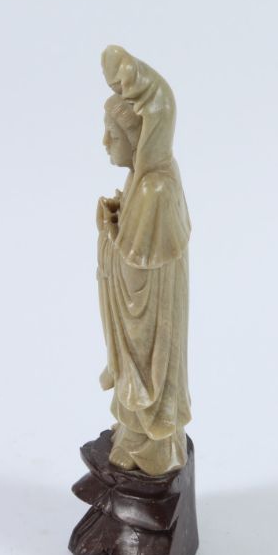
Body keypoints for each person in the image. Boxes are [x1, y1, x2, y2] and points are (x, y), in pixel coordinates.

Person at [96, 45, 192, 476]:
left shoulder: (156, 187)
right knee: (131, 374)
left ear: (137, 139)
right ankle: (132, 434)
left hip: (150, 313)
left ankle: (151, 446)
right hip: (137, 309)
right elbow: (135, 244)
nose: (105, 143)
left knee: (147, 374)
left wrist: (111, 234)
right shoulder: (141, 177)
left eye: (113, 135)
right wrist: (118, 219)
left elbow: (138, 267)